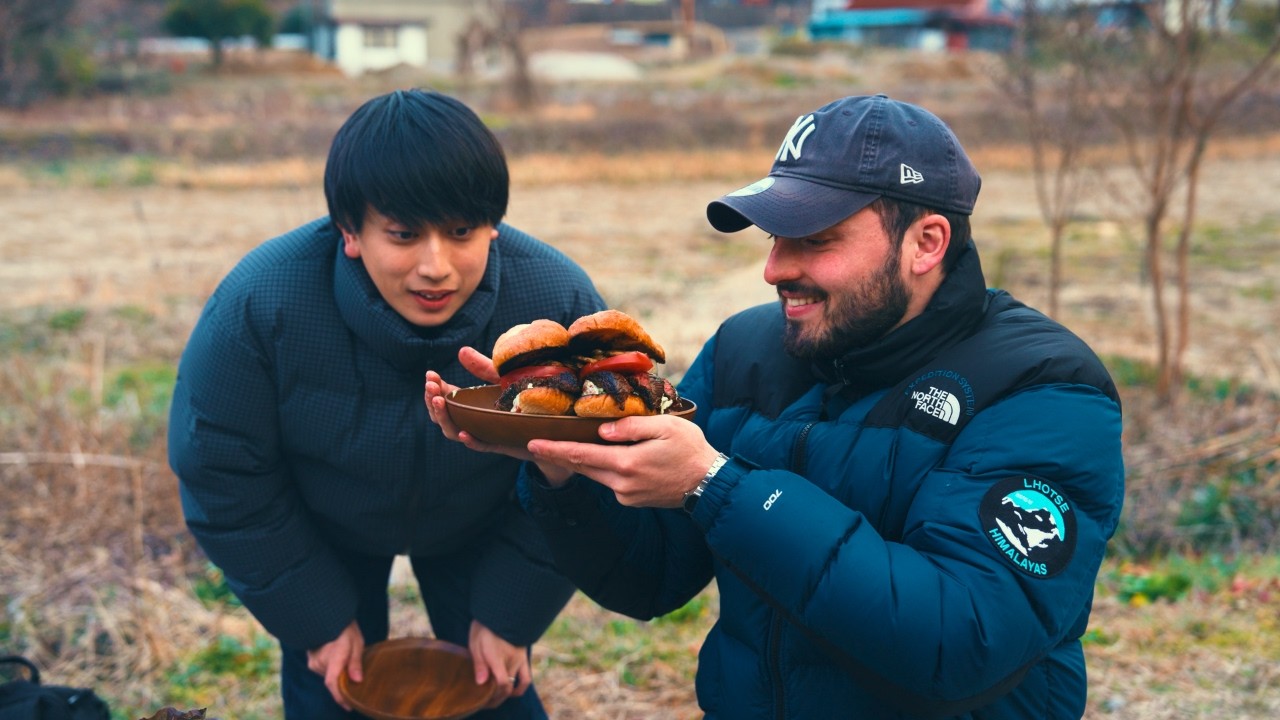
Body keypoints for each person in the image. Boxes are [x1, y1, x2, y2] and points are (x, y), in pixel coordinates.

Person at [425, 94, 1125, 718]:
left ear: (927, 242)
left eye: (815, 240)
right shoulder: (747, 351)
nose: (775, 269)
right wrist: (559, 467)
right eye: (774, 237)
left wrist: (717, 485)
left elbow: (959, 645)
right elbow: (647, 580)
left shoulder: (1044, 388)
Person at [169, 89, 606, 719]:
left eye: (461, 232)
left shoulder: (556, 304)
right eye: (403, 234)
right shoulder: (260, 305)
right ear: (350, 230)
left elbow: (579, 467)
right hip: (320, 527)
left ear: (494, 224)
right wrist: (315, 618)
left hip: (486, 520)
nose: (437, 267)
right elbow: (221, 473)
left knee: (494, 695)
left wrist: (513, 610)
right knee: (332, 696)